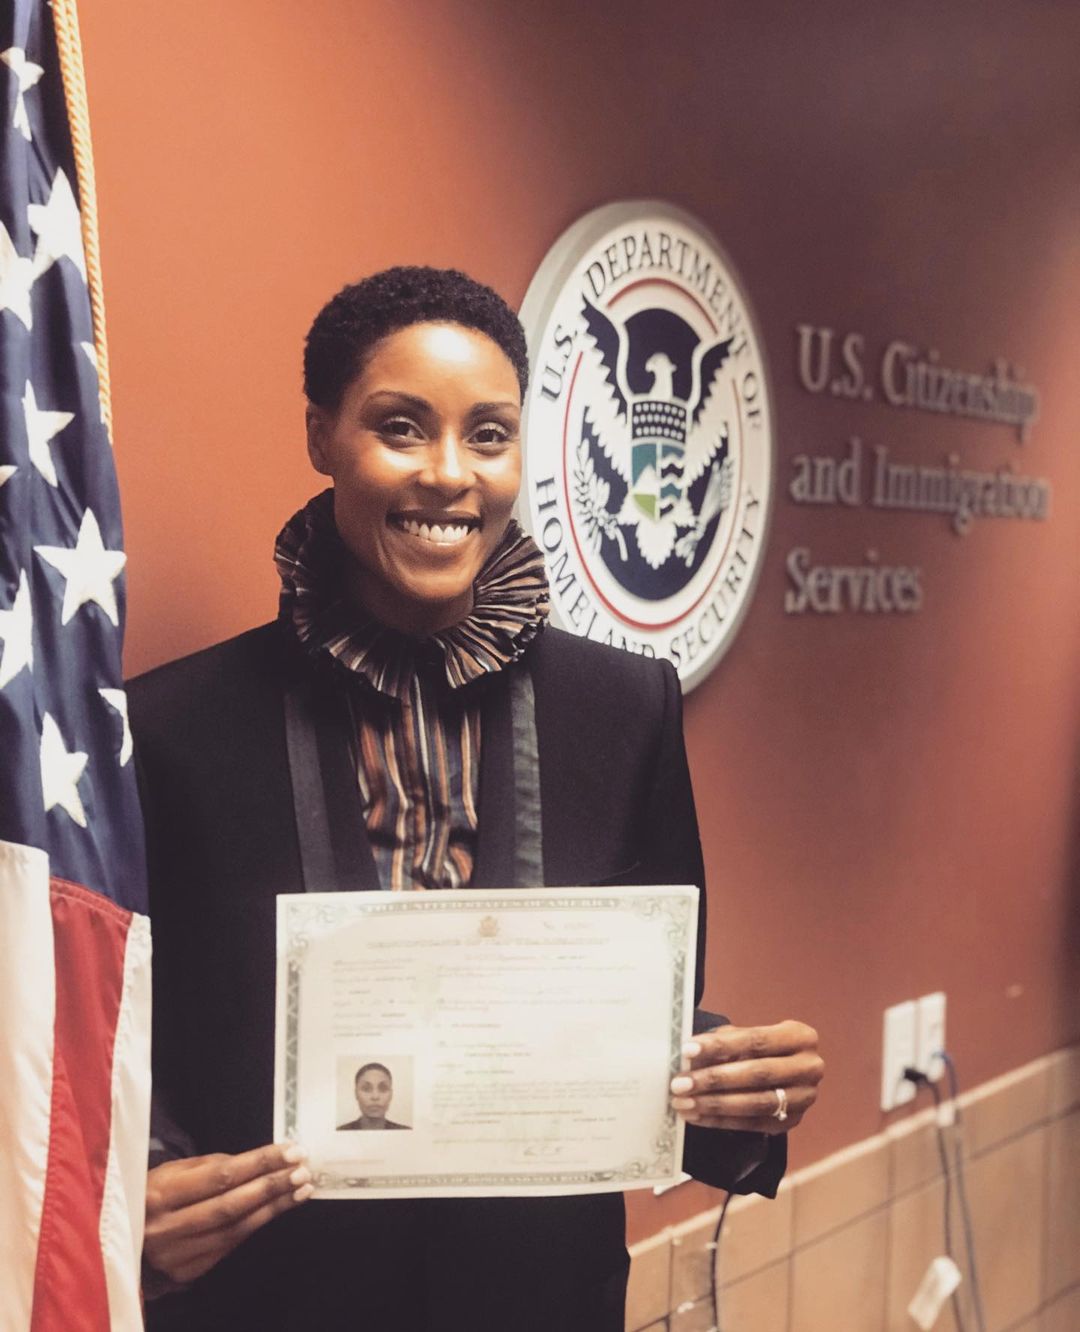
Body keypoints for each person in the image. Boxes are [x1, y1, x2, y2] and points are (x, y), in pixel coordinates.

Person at [132, 266, 823, 1331]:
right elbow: (119, 1036)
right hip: (270, 1302)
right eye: (400, 427)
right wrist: (137, 1201)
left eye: (489, 434)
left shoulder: (623, 707)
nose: (450, 475)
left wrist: (739, 1094)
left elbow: (640, 1010)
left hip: (542, 1299)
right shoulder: (173, 726)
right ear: (321, 437)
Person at [337, 1062, 411, 1131]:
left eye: (383, 1088)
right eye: (366, 1089)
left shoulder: (406, 1132)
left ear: (391, 1094)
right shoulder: (341, 1131)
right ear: (356, 1093)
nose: (375, 1096)